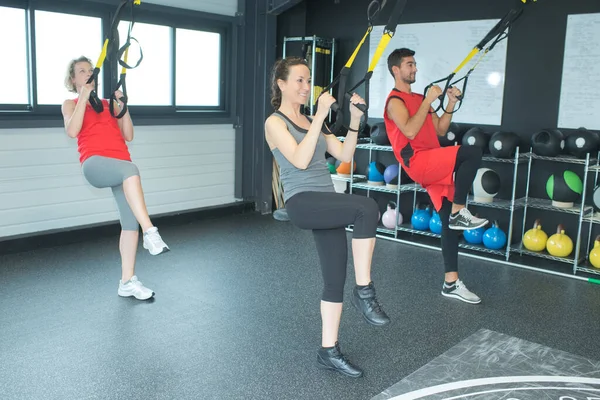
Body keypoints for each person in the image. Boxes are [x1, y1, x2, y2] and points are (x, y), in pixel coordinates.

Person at [265, 56, 390, 378]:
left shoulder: (310, 119)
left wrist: (353, 121)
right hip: (303, 202)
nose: (307, 86)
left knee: (335, 278)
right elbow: (301, 160)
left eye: (309, 81)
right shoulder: (275, 123)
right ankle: (366, 292)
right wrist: (320, 116)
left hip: (326, 202)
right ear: (281, 84)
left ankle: (328, 351)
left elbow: (345, 156)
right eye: (300, 80)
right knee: (366, 207)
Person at [384, 48, 488, 305]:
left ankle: (450, 283)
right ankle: (460, 210)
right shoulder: (394, 101)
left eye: (415, 64)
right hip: (417, 161)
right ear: (396, 70)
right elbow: (408, 130)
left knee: (447, 222)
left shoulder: (420, 98)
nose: (415, 69)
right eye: (409, 65)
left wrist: (450, 103)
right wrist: (427, 101)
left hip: (433, 160)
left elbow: (441, 129)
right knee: (471, 153)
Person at [61, 56, 170, 301]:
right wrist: (84, 97)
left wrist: (123, 107)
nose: (88, 73)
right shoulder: (70, 103)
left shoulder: (109, 104)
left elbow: (128, 135)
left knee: (129, 223)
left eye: (90, 70)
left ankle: (127, 281)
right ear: (73, 79)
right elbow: (72, 130)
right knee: (131, 170)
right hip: (94, 164)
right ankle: (150, 231)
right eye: (81, 71)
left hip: (120, 165)